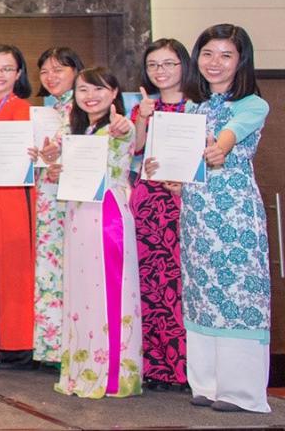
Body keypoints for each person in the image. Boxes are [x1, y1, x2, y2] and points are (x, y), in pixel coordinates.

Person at [176, 24, 271, 412]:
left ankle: (241, 390)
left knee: (237, 295)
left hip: (234, 215)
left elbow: (228, 138)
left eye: (226, 55)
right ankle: (208, 383)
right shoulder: (191, 106)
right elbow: (183, 160)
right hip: (197, 213)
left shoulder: (252, 104)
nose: (215, 63)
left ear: (241, 61)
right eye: (208, 54)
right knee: (201, 295)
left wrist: (219, 150)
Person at [49, 68, 141, 398]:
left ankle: (112, 375)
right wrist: (54, 163)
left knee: (109, 291)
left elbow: (127, 132)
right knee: (82, 295)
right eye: (83, 90)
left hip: (108, 214)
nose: (91, 96)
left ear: (114, 92)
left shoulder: (119, 125)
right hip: (77, 213)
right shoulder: (79, 129)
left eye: (99, 89)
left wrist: (124, 125)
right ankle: (81, 370)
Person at [129, 39, 199, 391]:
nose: (161, 71)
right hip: (148, 204)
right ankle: (155, 367)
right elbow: (136, 149)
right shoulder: (145, 108)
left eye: (169, 64)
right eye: (154, 65)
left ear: (184, 65)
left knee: (182, 285)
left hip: (184, 205)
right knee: (150, 287)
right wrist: (142, 117)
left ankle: (186, 368)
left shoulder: (199, 108)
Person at [0, 45, 37, 365]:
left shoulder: (22, 108)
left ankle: (18, 341)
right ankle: (0, 337)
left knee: (14, 266)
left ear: (18, 74)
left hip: (13, 193)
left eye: (6, 69)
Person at [31, 46, 83, 365]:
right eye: (45, 71)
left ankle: (75, 344)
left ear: (76, 71)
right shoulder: (47, 109)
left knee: (75, 268)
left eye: (59, 70)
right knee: (50, 271)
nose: (51, 77)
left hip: (76, 198)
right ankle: (53, 346)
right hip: (48, 197)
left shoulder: (84, 106)